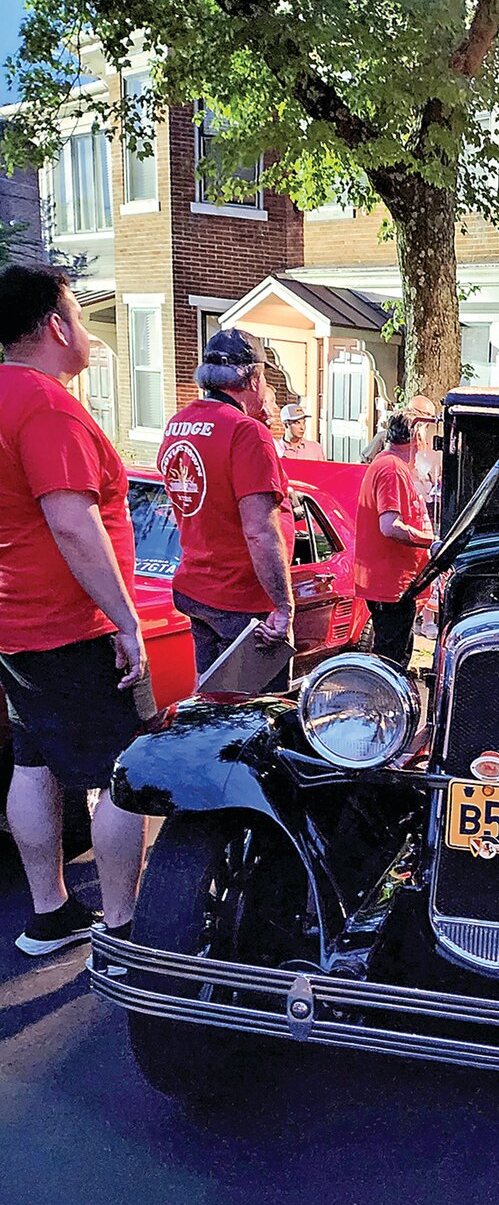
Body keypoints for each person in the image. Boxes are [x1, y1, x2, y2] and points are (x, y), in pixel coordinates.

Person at [0, 264, 151, 955]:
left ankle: (50, 915)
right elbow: (72, 525)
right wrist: (126, 619)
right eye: (81, 317)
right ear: (56, 326)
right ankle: (123, 928)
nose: (85, 329)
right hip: (67, 628)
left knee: (33, 761)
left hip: (15, 628)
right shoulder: (47, 405)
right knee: (126, 769)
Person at [158, 329, 296, 689]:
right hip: (242, 601)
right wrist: (283, 607)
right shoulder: (246, 433)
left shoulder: (178, 425)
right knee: (256, 716)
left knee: (212, 702)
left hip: (196, 587)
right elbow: (259, 531)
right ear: (252, 378)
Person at [353, 406, 435, 669]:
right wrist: (431, 541)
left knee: (392, 653)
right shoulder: (391, 469)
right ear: (416, 439)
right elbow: (390, 526)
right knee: (391, 660)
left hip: (392, 584)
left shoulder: (388, 465)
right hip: (391, 586)